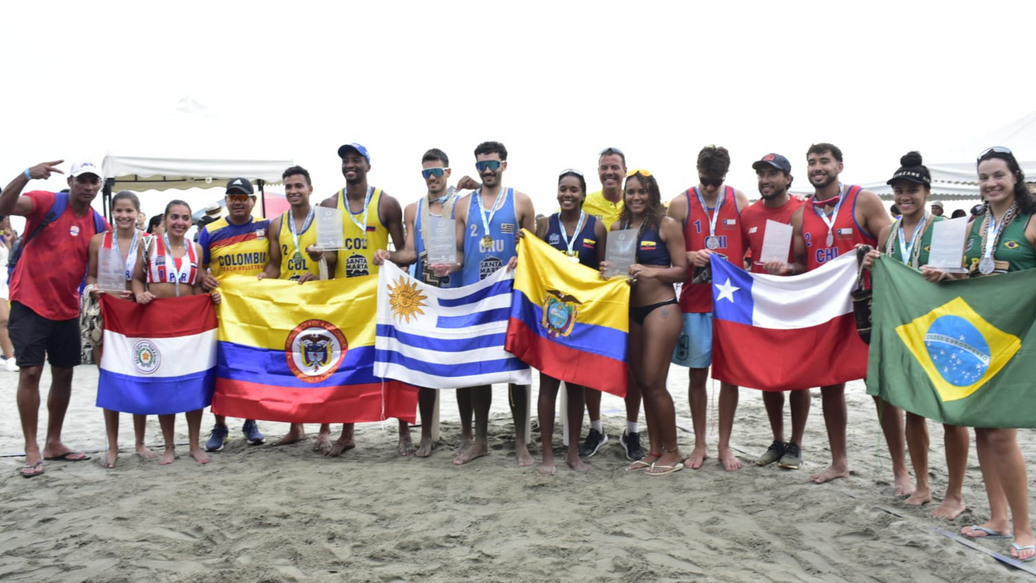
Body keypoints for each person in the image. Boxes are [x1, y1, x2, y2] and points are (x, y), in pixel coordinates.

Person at [927, 147, 1035, 561]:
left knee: (1003, 436)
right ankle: (998, 520)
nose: (990, 183)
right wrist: (946, 273)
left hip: (1019, 343)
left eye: (998, 175)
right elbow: (969, 273)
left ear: (1015, 177)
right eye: (984, 177)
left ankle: (1025, 529)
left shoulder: (1030, 222)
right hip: (980, 341)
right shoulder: (972, 225)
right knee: (983, 431)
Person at [765, 143, 892, 485]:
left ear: (840, 165)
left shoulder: (863, 200)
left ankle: (901, 472)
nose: (818, 167)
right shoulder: (800, 214)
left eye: (824, 161)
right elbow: (803, 264)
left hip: (866, 305)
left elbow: (890, 236)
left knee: (880, 388)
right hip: (828, 311)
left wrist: (877, 253)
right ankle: (839, 462)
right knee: (830, 387)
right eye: (812, 162)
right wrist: (786, 267)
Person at [863, 152, 969, 519]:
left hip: (942, 329)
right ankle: (923, 485)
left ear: (927, 191)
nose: (904, 196)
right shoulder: (886, 233)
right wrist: (870, 266)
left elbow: (966, 280)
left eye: (912, 190)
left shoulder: (948, 228)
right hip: (903, 332)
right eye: (899, 190)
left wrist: (950, 275)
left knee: (951, 413)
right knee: (912, 410)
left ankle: (955, 494)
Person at [0, 160, 109, 478]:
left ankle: (53, 442)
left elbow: (100, 268)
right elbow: (3, 207)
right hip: (29, 301)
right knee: (31, 371)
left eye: (94, 182)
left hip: (66, 307)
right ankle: (32, 448)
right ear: (72, 181)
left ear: (99, 186)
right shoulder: (47, 201)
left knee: (64, 374)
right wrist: (24, 176)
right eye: (83, 180)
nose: (88, 187)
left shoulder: (98, 222)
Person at [438, 141, 537, 466]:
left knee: (517, 370)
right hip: (475, 298)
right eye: (482, 165)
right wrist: (449, 265)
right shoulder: (463, 205)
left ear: (504, 165)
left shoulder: (521, 202)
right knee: (475, 369)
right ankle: (478, 440)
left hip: (510, 299)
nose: (487, 170)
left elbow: (532, 252)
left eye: (493, 164)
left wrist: (520, 257)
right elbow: (460, 252)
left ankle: (521, 441)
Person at [373, 148, 471, 458]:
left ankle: (467, 434)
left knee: (463, 365)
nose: (432, 177)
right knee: (426, 366)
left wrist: (475, 189)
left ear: (448, 173)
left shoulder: (463, 202)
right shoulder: (413, 209)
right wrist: (388, 256)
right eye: (426, 172)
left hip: (458, 292)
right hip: (426, 295)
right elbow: (411, 252)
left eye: (437, 172)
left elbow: (470, 243)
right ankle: (427, 433)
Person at [319, 143, 408, 456]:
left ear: (368, 165)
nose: (349, 165)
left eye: (355, 159)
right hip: (346, 297)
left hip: (380, 297)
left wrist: (389, 256)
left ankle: (404, 432)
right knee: (345, 363)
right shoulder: (329, 205)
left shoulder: (387, 203)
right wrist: (319, 254)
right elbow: (330, 259)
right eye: (345, 160)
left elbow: (405, 253)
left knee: (392, 363)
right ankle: (347, 434)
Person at [666, 145, 749, 471]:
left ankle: (724, 446)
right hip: (695, 301)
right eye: (705, 180)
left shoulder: (740, 200)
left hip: (731, 303)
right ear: (697, 170)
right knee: (698, 374)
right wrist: (689, 256)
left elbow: (753, 248)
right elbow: (668, 252)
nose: (711, 187)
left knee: (730, 376)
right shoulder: (680, 203)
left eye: (716, 181)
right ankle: (699, 444)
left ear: (725, 175)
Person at [601, 169, 687, 475]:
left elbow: (682, 270)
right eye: (631, 192)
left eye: (642, 192)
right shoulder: (618, 226)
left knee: (654, 382)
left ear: (652, 193)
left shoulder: (666, 225)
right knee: (640, 382)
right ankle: (654, 449)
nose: (636, 197)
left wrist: (653, 272)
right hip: (631, 312)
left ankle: (673, 451)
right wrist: (606, 270)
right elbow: (617, 275)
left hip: (661, 309)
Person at [132, 199, 216, 465]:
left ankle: (193, 445)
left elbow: (200, 283)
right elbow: (136, 278)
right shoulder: (147, 245)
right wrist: (139, 293)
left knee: (192, 382)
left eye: (185, 218)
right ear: (165, 219)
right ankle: (169, 446)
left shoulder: (197, 248)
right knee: (164, 384)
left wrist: (209, 295)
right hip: (158, 322)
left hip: (189, 324)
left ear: (191, 222)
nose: (180, 222)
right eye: (174, 217)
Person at [740, 154, 810, 470]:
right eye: (761, 174)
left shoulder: (803, 211)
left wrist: (790, 268)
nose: (765, 179)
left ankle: (796, 444)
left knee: (798, 376)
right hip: (762, 304)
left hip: (795, 301)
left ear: (788, 179)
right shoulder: (749, 214)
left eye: (773, 174)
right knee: (769, 377)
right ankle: (777, 440)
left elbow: (808, 261)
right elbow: (738, 254)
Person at [536, 169, 607, 475]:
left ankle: (573, 454)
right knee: (548, 383)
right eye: (563, 189)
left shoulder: (597, 227)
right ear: (557, 192)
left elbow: (606, 274)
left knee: (577, 385)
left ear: (583, 194)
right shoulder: (545, 225)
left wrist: (610, 271)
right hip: (551, 314)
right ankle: (548, 455)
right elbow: (533, 263)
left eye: (574, 190)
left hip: (584, 317)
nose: (567, 194)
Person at [577, 147, 645, 462]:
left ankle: (632, 430)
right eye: (604, 167)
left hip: (636, 295)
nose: (609, 173)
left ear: (625, 170)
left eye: (615, 167)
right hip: (597, 299)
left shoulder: (641, 200)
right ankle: (596, 428)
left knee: (634, 366)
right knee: (594, 364)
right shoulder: (586, 202)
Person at [259, 166, 334, 452]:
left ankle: (325, 430)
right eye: (288, 186)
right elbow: (275, 264)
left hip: (319, 297)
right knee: (293, 362)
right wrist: (265, 278)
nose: (293, 191)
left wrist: (320, 265)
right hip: (290, 302)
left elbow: (335, 260)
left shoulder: (325, 218)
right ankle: (296, 426)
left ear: (310, 189)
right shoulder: (276, 224)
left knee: (323, 365)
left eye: (298, 186)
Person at [84, 191, 153, 468]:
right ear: (112, 212)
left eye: (129, 211)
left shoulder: (148, 242)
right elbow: (90, 274)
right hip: (108, 317)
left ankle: (139, 443)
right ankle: (112, 446)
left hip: (138, 316)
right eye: (119, 210)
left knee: (140, 376)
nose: (124, 216)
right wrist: (94, 288)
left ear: (138, 213)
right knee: (110, 380)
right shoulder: (99, 241)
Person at [198, 178, 268, 451]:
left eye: (243, 197)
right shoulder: (210, 231)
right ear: (225, 201)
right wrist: (204, 279)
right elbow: (199, 267)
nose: (238, 203)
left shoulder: (265, 226)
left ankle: (250, 422)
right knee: (222, 370)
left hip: (256, 313)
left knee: (251, 369)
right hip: (224, 313)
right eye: (232, 198)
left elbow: (276, 263)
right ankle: (220, 425)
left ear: (252, 201)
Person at [0, 215, 15, 371]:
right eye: (5, 218)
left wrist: (9, 241)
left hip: (4, 282)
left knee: (6, 320)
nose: (7, 221)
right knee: (3, 319)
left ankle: (9, 354)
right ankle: (10, 357)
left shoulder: (3, 238)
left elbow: (11, 258)